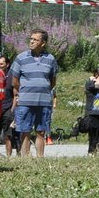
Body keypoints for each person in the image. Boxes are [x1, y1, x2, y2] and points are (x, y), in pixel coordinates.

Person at [9, 29, 59, 159]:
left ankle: (40, 157)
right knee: (25, 131)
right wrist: (26, 90)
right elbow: (14, 81)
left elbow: (52, 81)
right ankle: (25, 158)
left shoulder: (51, 59)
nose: (31, 41)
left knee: (41, 131)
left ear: (43, 43)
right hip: (25, 101)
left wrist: (42, 88)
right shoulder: (21, 58)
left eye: (35, 39)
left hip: (44, 101)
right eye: (31, 39)